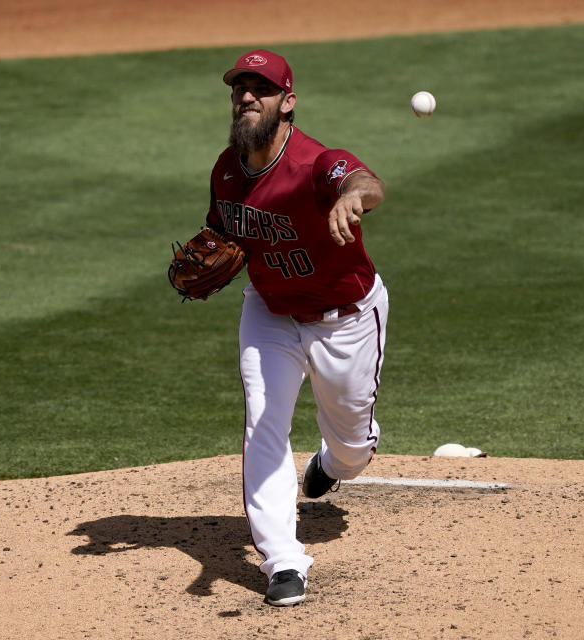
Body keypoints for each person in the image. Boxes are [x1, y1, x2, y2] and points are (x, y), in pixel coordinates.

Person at [204, 49, 389, 606]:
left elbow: (363, 179)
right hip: (270, 313)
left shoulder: (315, 163)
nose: (246, 97)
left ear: (287, 103)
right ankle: (283, 560)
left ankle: (333, 463)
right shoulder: (226, 171)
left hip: (346, 318)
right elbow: (222, 234)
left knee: (354, 450)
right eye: (239, 88)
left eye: (260, 88)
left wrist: (354, 196)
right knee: (263, 422)